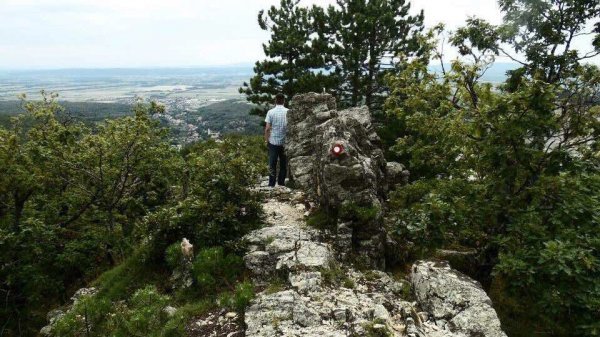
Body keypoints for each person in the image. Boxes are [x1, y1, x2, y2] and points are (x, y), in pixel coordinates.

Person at [264, 93, 288, 187]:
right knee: (283, 164)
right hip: (285, 142)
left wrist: (266, 140)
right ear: (284, 101)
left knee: (272, 164)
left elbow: (267, 129)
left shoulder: (270, 112)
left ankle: (271, 184)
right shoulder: (288, 111)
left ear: (275, 101)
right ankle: (281, 183)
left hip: (273, 142)